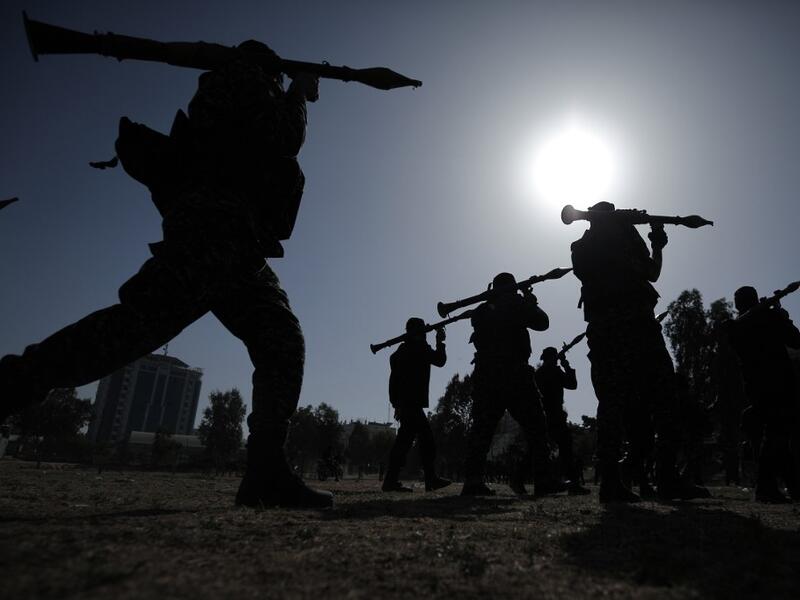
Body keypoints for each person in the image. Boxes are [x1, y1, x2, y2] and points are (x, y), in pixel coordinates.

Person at [0, 41, 333, 508]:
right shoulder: (243, 79)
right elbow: (283, 137)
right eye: (277, 75)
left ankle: (265, 471)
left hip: (228, 237)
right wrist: (298, 92)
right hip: (214, 234)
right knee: (134, 330)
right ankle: (13, 382)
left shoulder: (233, 84)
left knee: (273, 339)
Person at [570, 202, 705, 503]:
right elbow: (651, 272)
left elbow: (643, 274)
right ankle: (660, 478)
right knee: (659, 400)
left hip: (609, 330)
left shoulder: (582, 245)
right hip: (636, 327)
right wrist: (655, 244)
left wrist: (649, 240)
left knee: (620, 403)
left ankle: (625, 481)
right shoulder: (618, 239)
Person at [461, 272, 560, 497]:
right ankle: (543, 479)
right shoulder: (516, 303)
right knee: (536, 426)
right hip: (515, 374)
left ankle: (473, 481)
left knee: (482, 429)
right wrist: (530, 300)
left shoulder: (482, 310)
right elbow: (542, 322)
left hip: (487, 376)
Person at [727, 286, 800, 502]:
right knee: (777, 434)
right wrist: (781, 315)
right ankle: (766, 487)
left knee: (778, 434)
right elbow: (795, 340)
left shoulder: (736, 326)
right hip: (779, 383)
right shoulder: (767, 317)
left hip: (755, 387)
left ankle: (793, 487)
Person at [382, 318, 451, 493]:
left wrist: (396, 404)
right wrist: (440, 342)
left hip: (405, 404)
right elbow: (440, 360)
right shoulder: (420, 348)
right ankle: (429, 479)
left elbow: (393, 382)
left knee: (404, 443)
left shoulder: (400, 352)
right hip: (412, 404)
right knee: (424, 441)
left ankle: (393, 481)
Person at [535, 347, 590, 495]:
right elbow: (572, 384)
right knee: (564, 447)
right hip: (553, 414)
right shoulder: (551, 371)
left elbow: (571, 385)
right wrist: (565, 365)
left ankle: (542, 481)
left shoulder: (541, 372)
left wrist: (564, 365)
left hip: (546, 414)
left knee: (546, 447)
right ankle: (573, 484)